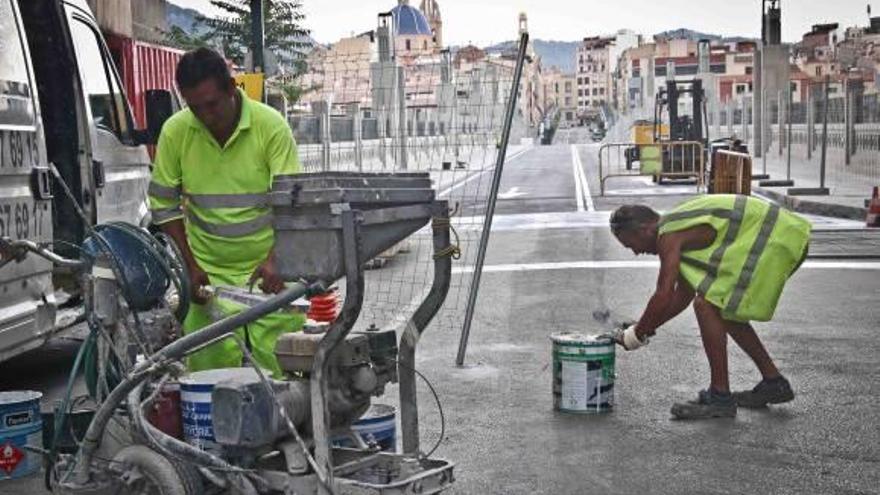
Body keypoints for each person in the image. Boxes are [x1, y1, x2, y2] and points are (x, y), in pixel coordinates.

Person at [148, 47, 303, 377]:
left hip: (270, 274)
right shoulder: (176, 132)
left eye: (212, 104)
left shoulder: (271, 128)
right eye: (194, 107)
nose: (205, 116)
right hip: (209, 276)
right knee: (208, 381)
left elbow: (293, 203)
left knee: (283, 377)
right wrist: (189, 266)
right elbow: (163, 205)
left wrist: (278, 259)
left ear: (232, 88)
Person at [609, 194, 811, 420]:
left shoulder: (669, 235)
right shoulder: (678, 228)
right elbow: (682, 295)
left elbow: (663, 294)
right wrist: (646, 325)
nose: (636, 252)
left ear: (645, 229)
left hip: (778, 239)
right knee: (720, 308)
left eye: (631, 245)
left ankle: (720, 397)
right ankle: (774, 383)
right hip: (784, 235)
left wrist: (636, 335)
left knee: (707, 305)